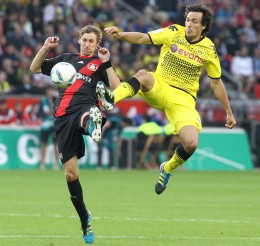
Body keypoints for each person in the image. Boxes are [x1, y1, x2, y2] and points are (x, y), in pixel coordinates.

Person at [97, 4, 237, 195]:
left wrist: (228, 112)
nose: (189, 24)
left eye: (194, 21)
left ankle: (167, 169)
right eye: (188, 20)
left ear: (203, 26)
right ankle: (112, 98)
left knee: (191, 143)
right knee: (143, 75)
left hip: (184, 99)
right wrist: (120, 35)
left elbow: (216, 84)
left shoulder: (209, 49)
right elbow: (142, 37)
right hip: (160, 86)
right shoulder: (173, 32)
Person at [30, 24, 120, 243]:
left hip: (85, 107)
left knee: (88, 116)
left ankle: (93, 125)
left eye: (92, 41)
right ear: (80, 40)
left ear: (97, 44)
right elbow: (34, 68)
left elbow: (118, 88)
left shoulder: (100, 64)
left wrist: (107, 63)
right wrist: (45, 47)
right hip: (62, 116)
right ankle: (84, 219)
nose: (88, 44)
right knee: (71, 175)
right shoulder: (66, 60)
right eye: (85, 40)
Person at [38, 86, 59, 170]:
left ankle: (56, 164)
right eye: (49, 90)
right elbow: (42, 112)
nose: (50, 92)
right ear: (46, 91)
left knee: (56, 144)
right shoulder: (43, 101)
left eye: (51, 90)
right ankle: (42, 163)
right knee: (44, 143)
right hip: (45, 125)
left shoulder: (56, 100)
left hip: (54, 124)